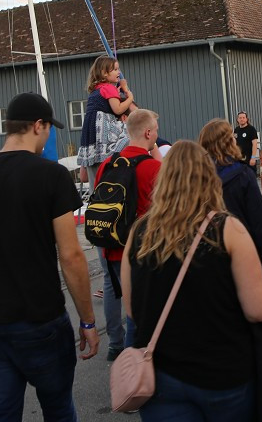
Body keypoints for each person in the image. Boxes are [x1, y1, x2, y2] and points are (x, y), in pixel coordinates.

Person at [0, 92, 99, 421]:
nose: (48, 136)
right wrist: (88, 320)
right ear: (38, 125)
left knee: (2, 416)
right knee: (59, 409)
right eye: (49, 129)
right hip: (41, 320)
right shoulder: (52, 176)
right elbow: (71, 256)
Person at [122, 141, 262, 420]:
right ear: (209, 178)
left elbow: (131, 310)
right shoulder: (228, 229)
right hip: (223, 371)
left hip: (160, 376)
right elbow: (258, 309)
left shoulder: (139, 231)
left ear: (164, 180)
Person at [91, 108, 162, 361]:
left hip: (110, 245)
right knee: (139, 309)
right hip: (140, 249)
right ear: (147, 132)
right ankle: (136, 360)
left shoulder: (107, 165)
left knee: (116, 293)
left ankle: (116, 345)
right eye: (155, 129)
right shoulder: (152, 167)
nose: (157, 133)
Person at [198, 119, 262, 282]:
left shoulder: (199, 177)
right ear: (228, 142)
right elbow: (258, 220)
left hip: (210, 255)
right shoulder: (243, 175)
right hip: (243, 250)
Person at [78, 55, 136, 193]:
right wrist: (130, 96)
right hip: (103, 129)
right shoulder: (108, 88)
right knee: (126, 139)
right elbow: (118, 109)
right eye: (115, 69)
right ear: (105, 73)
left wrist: (121, 88)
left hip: (91, 132)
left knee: (95, 174)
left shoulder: (97, 89)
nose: (118, 72)